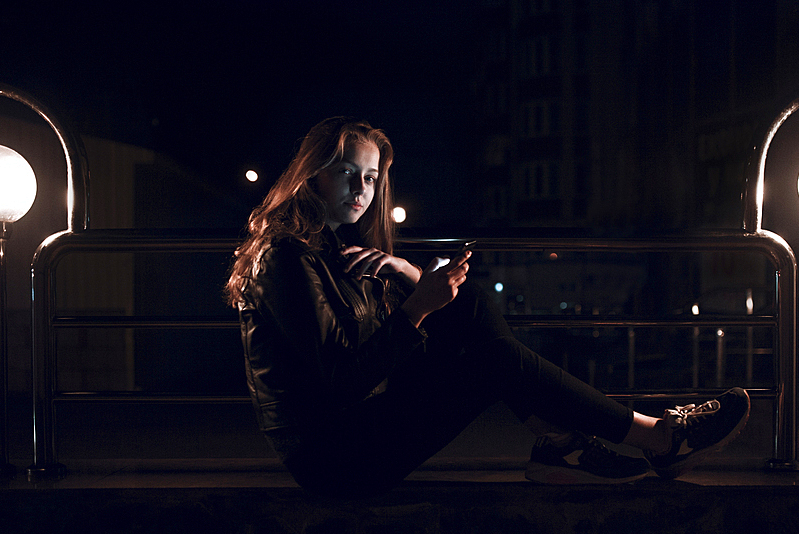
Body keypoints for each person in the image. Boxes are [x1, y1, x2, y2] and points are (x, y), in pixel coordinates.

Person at [225, 117, 750, 498]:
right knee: (487, 357)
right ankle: (649, 438)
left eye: (370, 178)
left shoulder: (335, 251)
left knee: (474, 320)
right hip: (331, 456)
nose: (360, 189)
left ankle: (572, 443)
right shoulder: (286, 255)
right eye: (345, 172)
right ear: (312, 173)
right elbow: (339, 379)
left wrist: (409, 277)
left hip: (355, 427)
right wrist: (415, 311)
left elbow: (455, 323)